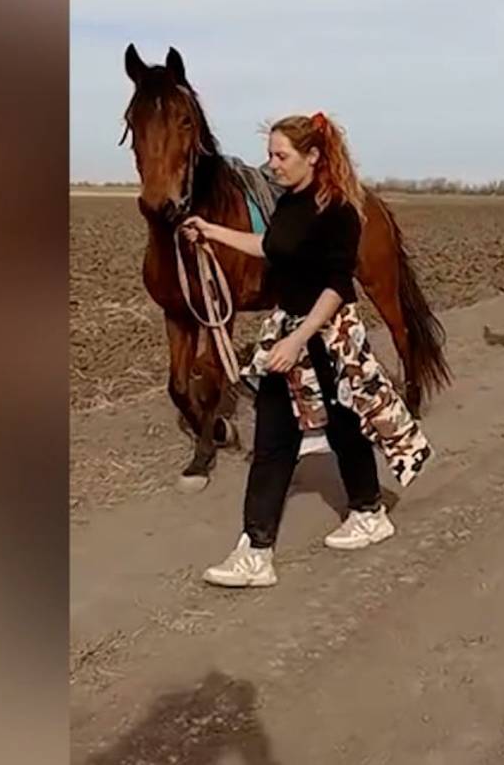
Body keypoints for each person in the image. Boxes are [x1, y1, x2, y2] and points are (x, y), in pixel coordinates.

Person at [179, 112, 432, 588]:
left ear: (313, 157)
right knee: (317, 431)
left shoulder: (338, 210)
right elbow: (272, 247)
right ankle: (358, 514)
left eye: (281, 155)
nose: (270, 164)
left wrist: (298, 340)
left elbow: (338, 283)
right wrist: (212, 233)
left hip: (325, 336)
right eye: (270, 154)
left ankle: (266, 547)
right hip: (294, 332)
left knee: (297, 437)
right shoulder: (290, 202)